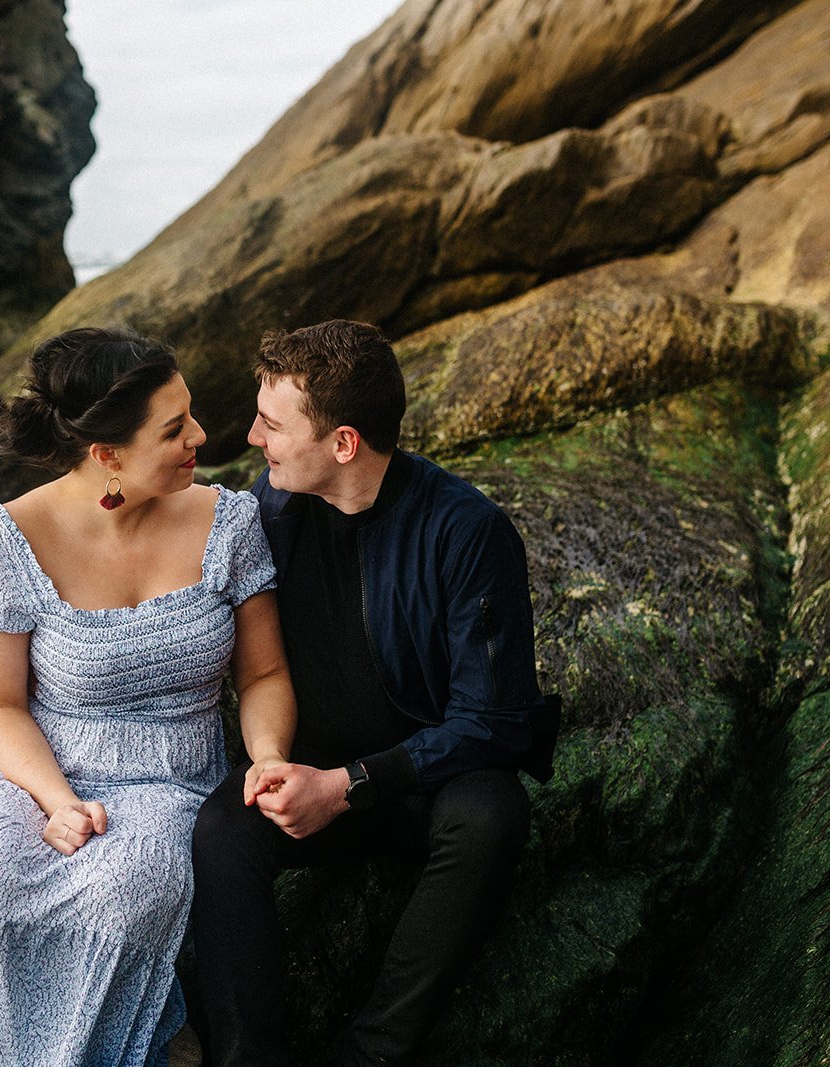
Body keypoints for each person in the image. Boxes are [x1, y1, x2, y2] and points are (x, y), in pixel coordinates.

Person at [0, 326, 297, 1066]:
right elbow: (0, 705)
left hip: (169, 778)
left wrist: (266, 755)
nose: (203, 435)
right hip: (34, 765)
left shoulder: (228, 522)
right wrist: (57, 799)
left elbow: (262, 675)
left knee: (127, 891)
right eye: (174, 429)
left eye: (191, 413)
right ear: (106, 455)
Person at [190, 320, 560, 1066]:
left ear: (344, 443)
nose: (254, 437)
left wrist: (351, 784)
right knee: (224, 828)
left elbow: (496, 720)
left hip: (421, 783)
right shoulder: (272, 510)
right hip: (312, 766)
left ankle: (368, 1053)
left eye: (271, 423)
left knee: (493, 812)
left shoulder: (467, 531)